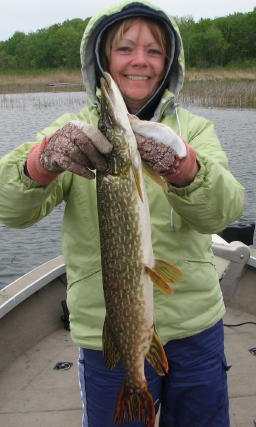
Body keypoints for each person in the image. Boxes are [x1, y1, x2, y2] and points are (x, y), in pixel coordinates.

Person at [0, 1, 245, 426]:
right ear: (102, 59)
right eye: (125, 48)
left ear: (168, 63)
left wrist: (184, 167)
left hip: (195, 326)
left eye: (153, 50)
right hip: (106, 331)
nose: (139, 60)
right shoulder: (76, 133)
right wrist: (43, 160)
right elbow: (10, 210)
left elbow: (223, 211)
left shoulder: (194, 131)